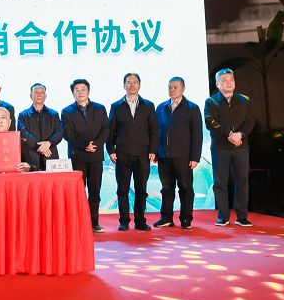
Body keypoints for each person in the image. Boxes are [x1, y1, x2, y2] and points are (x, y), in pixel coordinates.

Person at [106, 73, 159, 231]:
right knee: (122, 190)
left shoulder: (148, 105)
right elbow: (110, 131)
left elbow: (154, 130)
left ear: (139, 85)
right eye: (128, 82)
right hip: (122, 155)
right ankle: (124, 221)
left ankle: (140, 221)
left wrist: (153, 150)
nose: (132, 85)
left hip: (143, 154)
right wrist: (111, 150)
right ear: (124, 86)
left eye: (135, 82)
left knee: (141, 190)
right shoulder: (116, 106)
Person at [204, 68, 255, 227]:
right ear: (217, 84)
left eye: (230, 80)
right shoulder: (211, 102)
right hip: (220, 148)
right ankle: (223, 216)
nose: (228, 83)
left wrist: (240, 135)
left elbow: (250, 121)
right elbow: (210, 122)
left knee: (242, 181)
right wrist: (229, 134)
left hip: (241, 146)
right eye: (224, 80)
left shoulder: (244, 100)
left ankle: (241, 216)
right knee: (220, 182)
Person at [61, 79, 109, 233]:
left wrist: (96, 144)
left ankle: (94, 223)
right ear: (73, 93)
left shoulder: (100, 108)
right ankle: (77, 223)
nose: (80, 92)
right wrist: (84, 145)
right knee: (77, 192)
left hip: (96, 156)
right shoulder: (67, 111)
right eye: (77, 90)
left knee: (95, 192)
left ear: (88, 91)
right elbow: (67, 134)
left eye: (83, 89)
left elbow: (106, 130)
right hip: (77, 157)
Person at [154, 77, 203, 230]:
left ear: (183, 89)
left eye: (175, 87)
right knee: (166, 189)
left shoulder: (192, 108)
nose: (172, 90)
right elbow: (155, 133)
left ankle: (186, 219)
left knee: (186, 188)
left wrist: (195, 157)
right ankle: (166, 218)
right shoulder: (161, 108)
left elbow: (197, 135)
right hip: (164, 157)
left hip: (184, 157)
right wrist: (155, 152)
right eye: (170, 87)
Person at [18, 83, 63, 171]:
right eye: (36, 92)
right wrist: (40, 146)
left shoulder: (54, 114)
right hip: (30, 157)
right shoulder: (23, 115)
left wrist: (49, 143)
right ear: (31, 96)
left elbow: (59, 132)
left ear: (45, 96)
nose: (39, 95)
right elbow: (23, 133)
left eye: (42, 92)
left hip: (50, 156)